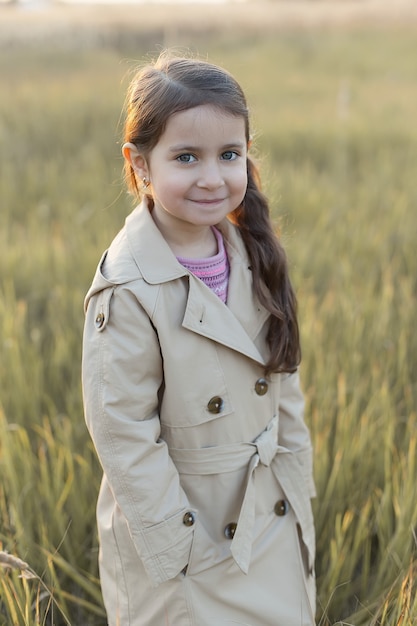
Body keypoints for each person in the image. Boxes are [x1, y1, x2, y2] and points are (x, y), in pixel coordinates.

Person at [82, 51, 316, 626]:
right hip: (186, 535)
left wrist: (297, 485)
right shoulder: (129, 286)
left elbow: (282, 386)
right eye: (186, 157)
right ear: (139, 163)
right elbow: (122, 431)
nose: (212, 177)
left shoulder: (250, 252)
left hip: (266, 517)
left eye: (229, 155)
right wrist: (180, 549)